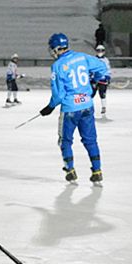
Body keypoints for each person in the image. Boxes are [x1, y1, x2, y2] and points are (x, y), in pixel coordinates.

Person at [39, 32, 108, 185]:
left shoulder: (57, 66)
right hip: (87, 105)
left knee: (65, 141)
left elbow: (58, 94)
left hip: (70, 108)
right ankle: (97, 171)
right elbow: (102, 67)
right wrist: (95, 81)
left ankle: (70, 171)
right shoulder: (82, 57)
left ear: (57, 49)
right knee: (91, 141)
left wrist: (49, 107)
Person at [93, 44, 112, 115]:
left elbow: (108, 69)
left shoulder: (106, 60)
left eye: (102, 50)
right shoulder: (93, 59)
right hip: (94, 80)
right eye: (98, 50)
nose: (100, 52)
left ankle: (103, 107)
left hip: (102, 80)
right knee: (91, 94)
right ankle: (89, 107)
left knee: (102, 94)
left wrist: (108, 77)